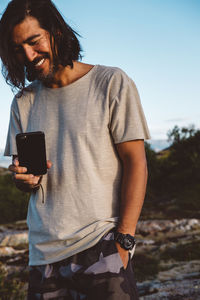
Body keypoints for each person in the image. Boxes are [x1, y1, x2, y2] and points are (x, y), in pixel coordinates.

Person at [0, 0, 150, 299]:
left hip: (102, 245)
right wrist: (22, 180)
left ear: (55, 32)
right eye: (18, 48)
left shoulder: (110, 82)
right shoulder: (23, 102)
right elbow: (25, 180)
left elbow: (136, 163)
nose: (28, 55)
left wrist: (124, 240)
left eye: (34, 41)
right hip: (43, 256)